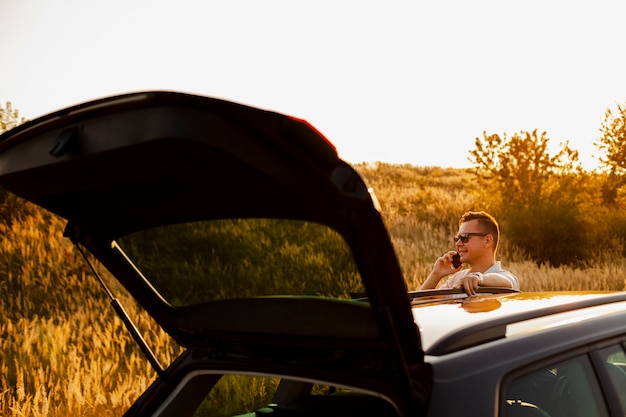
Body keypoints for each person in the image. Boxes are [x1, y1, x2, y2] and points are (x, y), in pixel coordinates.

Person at [419, 211, 519, 295]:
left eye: (464, 237)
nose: (458, 243)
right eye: (457, 238)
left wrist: (478, 279)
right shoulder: (457, 278)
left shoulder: (504, 276)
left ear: (487, 241)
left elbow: (507, 283)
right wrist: (436, 274)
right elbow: (418, 306)